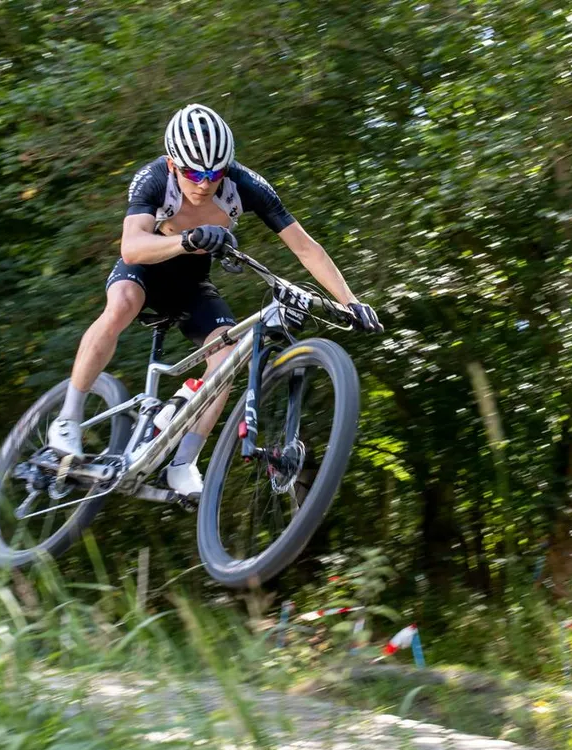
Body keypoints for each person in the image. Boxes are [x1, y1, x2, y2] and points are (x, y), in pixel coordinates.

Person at [46, 103, 382, 498]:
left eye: (214, 173)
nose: (204, 183)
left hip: (193, 282)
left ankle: (183, 463)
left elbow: (305, 248)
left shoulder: (245, 185)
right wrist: (186, 240)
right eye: (193, 173)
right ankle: (67, 420)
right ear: (172, 164)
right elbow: (132, 247)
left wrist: (350, 302)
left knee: (226, 359)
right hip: (146, 269)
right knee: (121, 304)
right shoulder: (153, 178)